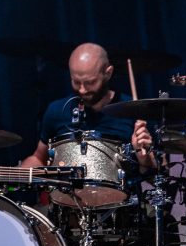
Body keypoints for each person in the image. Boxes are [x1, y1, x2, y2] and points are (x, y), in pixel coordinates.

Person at [21, 43, 154, 170]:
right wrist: (12, 176)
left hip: (123, 193)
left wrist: (144, 159)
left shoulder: (134, 111)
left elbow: (154, 172)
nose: (82, 90)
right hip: (66, 193)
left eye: (90, 82)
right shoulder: (57, 111)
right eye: (76, 82)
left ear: (108, 73)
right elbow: (39, 157)